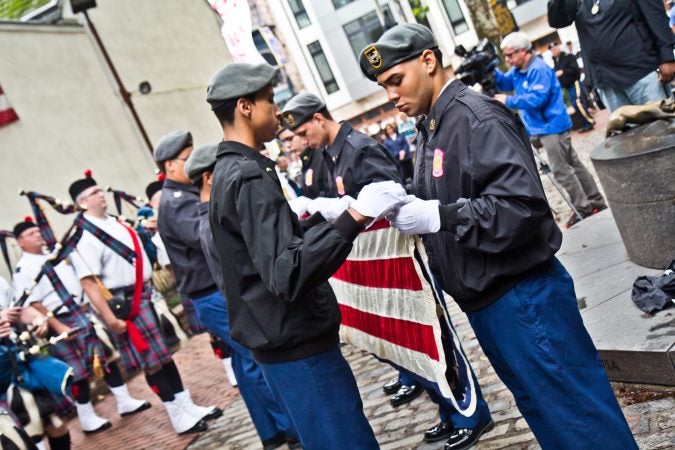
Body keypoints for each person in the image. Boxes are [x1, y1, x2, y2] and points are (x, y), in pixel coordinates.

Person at [359, 23, 638, 450]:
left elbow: (522, 208)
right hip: (488, 303)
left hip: (521, 296)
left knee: (579, 419)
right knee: (549, 417)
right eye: (384, 86)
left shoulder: (475, 117)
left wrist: (439, 215)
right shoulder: (431, 126)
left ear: (429, 61)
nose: (391, 95)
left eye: (395, 80)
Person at [205, 61, 408, 449]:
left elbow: (266, 252)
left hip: (282, 344)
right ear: (245, 107)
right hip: (296, 346)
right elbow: (288, 271)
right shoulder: (246, 175)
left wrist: (322, 221)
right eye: (269, 101)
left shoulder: (231, 171)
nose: (277, 112)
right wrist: (353, 217)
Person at [67, 171, 216, 435]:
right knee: (152, 361)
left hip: (144, 296)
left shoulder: (115, 222)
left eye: (101, 190)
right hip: (124, 305)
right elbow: (88, 283)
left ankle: (186, 406)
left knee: (163, 356)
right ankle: (175, 415)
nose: (101, 195)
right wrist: (110, 319)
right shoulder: (83, 236)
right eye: (94, 193)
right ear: (81, 203)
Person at [183, 143, 301, 450]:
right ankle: (290, 430)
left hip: (241, 305)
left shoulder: (209, 218)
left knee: (251, 365)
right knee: (260, 367)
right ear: (209, 178)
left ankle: (282, 431)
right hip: (250, 307)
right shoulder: (211, 220)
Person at [11, 218, 150, 434]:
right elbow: (33, 303)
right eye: (31, 233)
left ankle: (124, 400)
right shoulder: (24, 268)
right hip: (59, 320)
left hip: (81, 313)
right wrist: (57, 327)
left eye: (38, 231)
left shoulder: (56, 254)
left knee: (105, 357)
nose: (38, 234)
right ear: (20, 242)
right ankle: (86, 417)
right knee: (76, 371)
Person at [494, 31, 607, 228]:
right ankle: (595, 202)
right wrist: (490, 71)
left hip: (551, 127)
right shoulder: (518, 71)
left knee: (561, 170)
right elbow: (504, 82)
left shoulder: (538, 69)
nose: (508, 59)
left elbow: (537, 99)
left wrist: (508, 100)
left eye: (510, 55)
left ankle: (584, 207)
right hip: (547, 127)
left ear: (523, 52)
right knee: (574, 164)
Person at [548, 0, 675, 112]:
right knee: (627, 136)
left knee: (661, 130)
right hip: (607, 82)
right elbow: (557, 20)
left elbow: (654, 14)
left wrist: (667, 55)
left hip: (641, 73)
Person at [280, 92, 401, 200]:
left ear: (319, 119)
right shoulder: (331, 153)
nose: (303, 141)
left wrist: (348, 218)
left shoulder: (359, 149)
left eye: (303, 134)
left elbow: (391, 198)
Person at [551, 44, 595, 132]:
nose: (553, 51)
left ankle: (589, 122)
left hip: (574, 83)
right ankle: (585, 123)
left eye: (554, 49)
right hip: (567, 86)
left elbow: (575, 69)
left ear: (559, 48)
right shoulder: (556, 61)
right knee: (576, 105)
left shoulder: (568, 57)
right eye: (552, 50)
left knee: (578, 103)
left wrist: (563, 71)